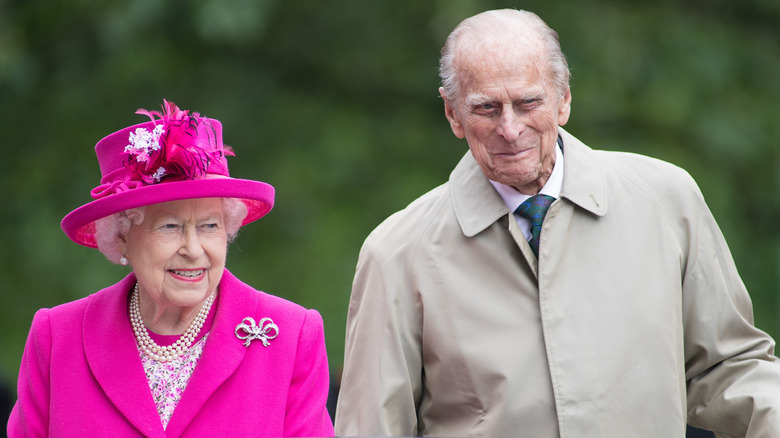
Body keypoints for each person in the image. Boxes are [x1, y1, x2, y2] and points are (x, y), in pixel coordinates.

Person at [334, 9, 780, 437]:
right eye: (487, 108)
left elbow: (728, 369)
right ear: (453, 114)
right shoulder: (397, 253)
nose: (510, 129)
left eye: (528, 102)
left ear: (564, 98)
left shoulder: (667, 200)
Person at [8, 100, 334, 437]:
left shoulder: (291, 336)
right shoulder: (57, 337)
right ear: (121, 237)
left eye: (209, 226)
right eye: (170, 227)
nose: (194, 251)